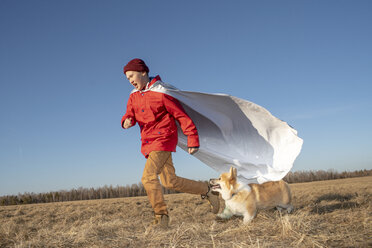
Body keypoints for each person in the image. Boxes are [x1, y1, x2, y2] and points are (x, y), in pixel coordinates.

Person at [121, 58, 219, 227]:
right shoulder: (133, 97)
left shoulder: (162, 93)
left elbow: (181, 116)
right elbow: (129, 113)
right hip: (148, 142)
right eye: (127, 78)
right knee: (169, 181)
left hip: (163, 138)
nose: (129, 80)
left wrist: (192, 138)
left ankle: (161, 217)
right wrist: (127, 120)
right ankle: (207, 190)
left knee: (148, 177)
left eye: (131, 75)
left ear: (143, 72)